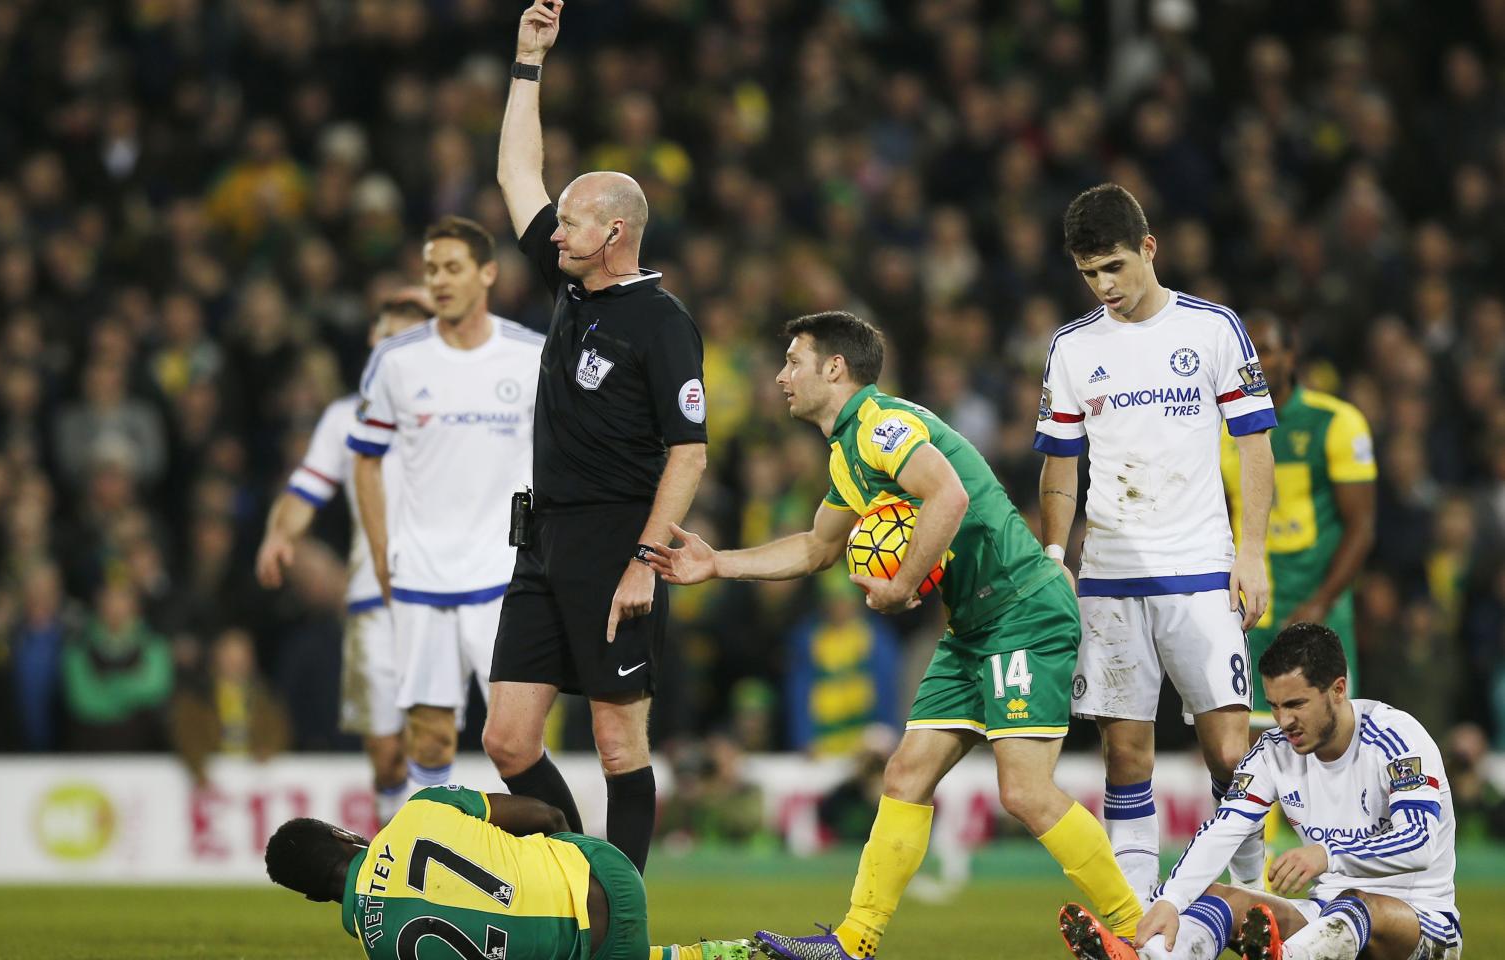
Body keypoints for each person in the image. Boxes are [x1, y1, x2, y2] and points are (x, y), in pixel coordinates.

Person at [650, 311, 1141, 960]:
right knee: (905, 774)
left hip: (1022, 608)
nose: (781, 376)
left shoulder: (883, 425)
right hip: (973, 625)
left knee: (1023, 790)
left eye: (794, 360)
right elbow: (818, 547)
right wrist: (718, 564)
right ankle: (853, 942)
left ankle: (1140, 932)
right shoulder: (847, 454)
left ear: (834, 368)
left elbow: (948, 497)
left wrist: (903, 583)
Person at [488, 0, 709, 876]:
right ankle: (577, 872)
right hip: (543, 537)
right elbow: (517, 173)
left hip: (618, 540)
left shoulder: (662, 323)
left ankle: (617, 910)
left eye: (572, 222)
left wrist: (646, 560)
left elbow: (689, 451)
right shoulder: (572, 288)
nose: (555, 231)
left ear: (614, 232)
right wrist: (527, 62)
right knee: (508, 739)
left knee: (619, 742)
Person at [1036, 183, 1278, 904]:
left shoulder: (1213, 329)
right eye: (1089, 273)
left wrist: (1252, 552)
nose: (1104, 286)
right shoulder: (1073, 348)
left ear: (1148, 248)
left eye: (1114, 266)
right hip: (1110, 576)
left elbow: (1255, 446)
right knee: (1125, 758)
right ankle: (1138, 920)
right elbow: (1060, 464)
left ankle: (1255, 897)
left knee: (1230, 754)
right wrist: (1055, 556)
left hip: (1202, 569)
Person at [1059, 623, 1462, 960]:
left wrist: (1327, 854)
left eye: (1296, 704)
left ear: (1338, 689)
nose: (1284, 720)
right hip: (1323, 919)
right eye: (1275, 705)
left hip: (1420, 926)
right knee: (1217, 898)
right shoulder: (1274, 751)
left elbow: (1420, 843)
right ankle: (1149, 957)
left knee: (1357, 904)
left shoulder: (1396, 739)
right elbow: (1224, 827)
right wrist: (1170, 900)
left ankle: (1286, 956)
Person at [349, 216, 544, 794]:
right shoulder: (396, 360)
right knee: (430, 737)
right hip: (421, 575)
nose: (439, 280)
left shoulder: (530, 355)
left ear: (487, 274)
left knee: (517, 739)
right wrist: (382, 554)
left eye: (453, 268)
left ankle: (551, 843)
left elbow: (563, 456)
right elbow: (366, 459)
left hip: (506, 575)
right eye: (431, 269)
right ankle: (428, 846)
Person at [256, 291, 430, 826]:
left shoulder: (456, 411)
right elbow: (305, 488)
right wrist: (279, 534)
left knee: (436, 738)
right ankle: (399, 842)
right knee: (384, 751)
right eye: (387, 337)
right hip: (371, 600)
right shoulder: (342, 418)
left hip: (444, 595)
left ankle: (436, 854)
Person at [263, 787, 754, 960]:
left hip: (603, 952)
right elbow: (546, 816)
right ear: (343, 835)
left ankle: (730, 952)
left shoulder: (383, 950)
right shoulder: (419, 810)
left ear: (315, 897)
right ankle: (742, 952)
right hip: (612, 872)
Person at [1219, 312, 1376, 728]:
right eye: (1247, 353)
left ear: (1291, 356)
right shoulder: (1220, 429)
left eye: (1266, 350)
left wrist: (1321, 602)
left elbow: (1361, 527)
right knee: (1249, 740)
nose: (1254, 363)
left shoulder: (1336, 422)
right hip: (1248, 615)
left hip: (1317, 611)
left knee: (1329, 735)